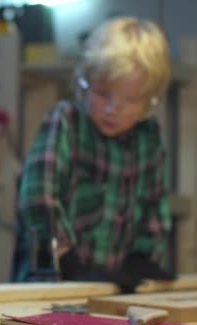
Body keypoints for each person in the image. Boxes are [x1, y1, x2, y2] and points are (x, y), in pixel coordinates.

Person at [11, 16, 176, 292]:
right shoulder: (66, 121)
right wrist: (67, 259)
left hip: (111, 287)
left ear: (150, 100)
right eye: (103, 93)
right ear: (84, 81)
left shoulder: (149, 137)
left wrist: (141, 258)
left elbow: (155, 205)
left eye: (130, 100)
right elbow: (38, 198)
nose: (113, 109)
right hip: (49, 284)